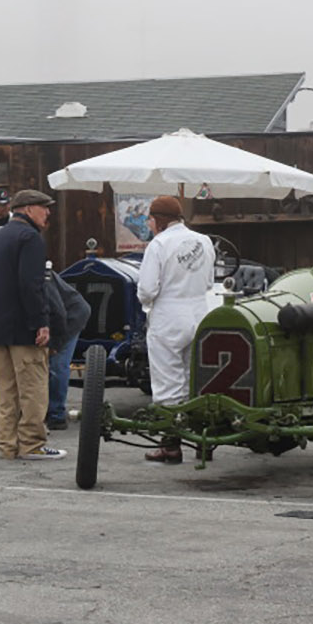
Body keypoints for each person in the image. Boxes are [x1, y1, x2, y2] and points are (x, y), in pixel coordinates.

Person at [0, 189, 64, 460]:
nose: (48, 212)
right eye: (43, 207)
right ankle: (32, 444)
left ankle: (7, 445)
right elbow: (32, 285)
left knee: (7, 391)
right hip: (23, 328)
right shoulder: (30, 238)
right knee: (33, 388)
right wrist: (41, 322)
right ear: (28, 209)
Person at [136, 195, 215, 463]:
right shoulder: (204, 242)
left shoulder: (158, 244)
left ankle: (170, 445)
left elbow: (146, 289)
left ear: (158, 220)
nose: (149, 224)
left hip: (169, 316)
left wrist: (148, 303)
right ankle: (202, 442)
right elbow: (209, 281)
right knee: (196, 379)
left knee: (168, 383)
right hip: (200, 313)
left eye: (150, 219)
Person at [44, 266, 90, 430]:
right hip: (58, 316)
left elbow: (59, 312)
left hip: (71, 316)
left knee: (57, 365)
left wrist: (56, 344)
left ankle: (57, 415)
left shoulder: (42, 276)